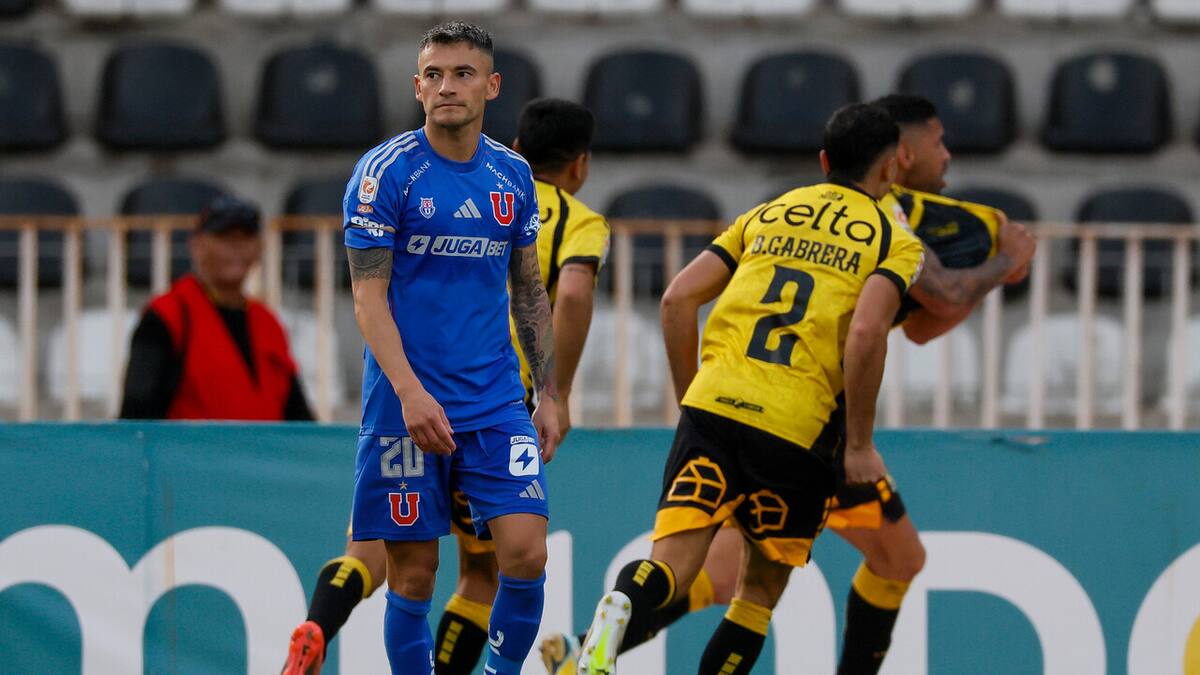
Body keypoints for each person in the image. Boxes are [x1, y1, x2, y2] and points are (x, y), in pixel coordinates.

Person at [543, 93, 1037, 675]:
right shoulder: (895, 229)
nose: (947, 155)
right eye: (938, 142)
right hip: (809, 424)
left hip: (717, 404)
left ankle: (596, 636)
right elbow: (910, 316)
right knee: (784, 583)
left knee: (703, 565)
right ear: (897, 159)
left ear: (827, 159)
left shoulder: (775, 208)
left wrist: (690, 401)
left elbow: (677, 297)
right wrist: (1004, 264)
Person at [281, 21, 560, 675]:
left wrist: (547, 393)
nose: (446, 87)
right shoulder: (384, 174)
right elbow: (367, 299)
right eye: (433, 75)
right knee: (413, 574)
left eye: (462, 73)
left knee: (526, 552)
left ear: (491, 86)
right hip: (404, 402)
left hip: (494, 398)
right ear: (416, 86)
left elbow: (529, 290)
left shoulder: (512, 176)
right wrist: (410, 392)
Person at [432, 97, 610, 675]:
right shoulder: (581, 222)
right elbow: (575, 295)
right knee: (507, 568)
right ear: (579, 165)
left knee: (463, 570)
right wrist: (556, 392)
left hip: (443, 383)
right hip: (504, 402)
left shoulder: (485, 194)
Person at [119, 195, 313, 422]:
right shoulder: (167, 316)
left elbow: (298, 416)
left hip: (262, 455)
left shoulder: (268, 324)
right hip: (189, 455)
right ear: (197, 245)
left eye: (246, 237)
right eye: (224, 237)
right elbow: (136, 413)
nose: (236, 247)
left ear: (259, 247)